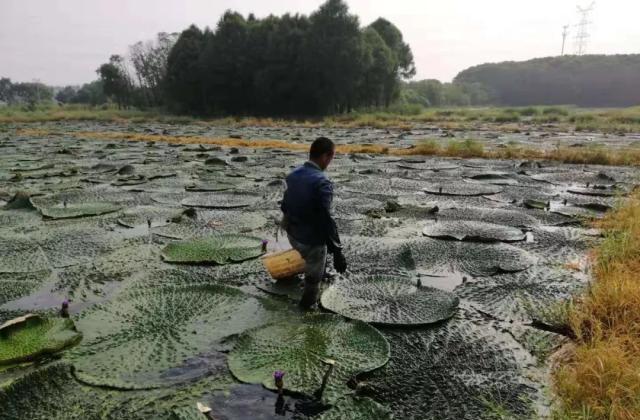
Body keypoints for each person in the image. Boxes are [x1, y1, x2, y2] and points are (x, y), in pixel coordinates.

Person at [281, 137, 347, 309]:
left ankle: (312, 267)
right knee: (313, 278)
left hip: (292, 235)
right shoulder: (322, 182)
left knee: (311, 258)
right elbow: (326, 218)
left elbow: (285, 205)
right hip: (310, 241)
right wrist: (337, 251)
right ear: (327, 156)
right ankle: (306, 306)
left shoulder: (293, 175)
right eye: (331, 157)